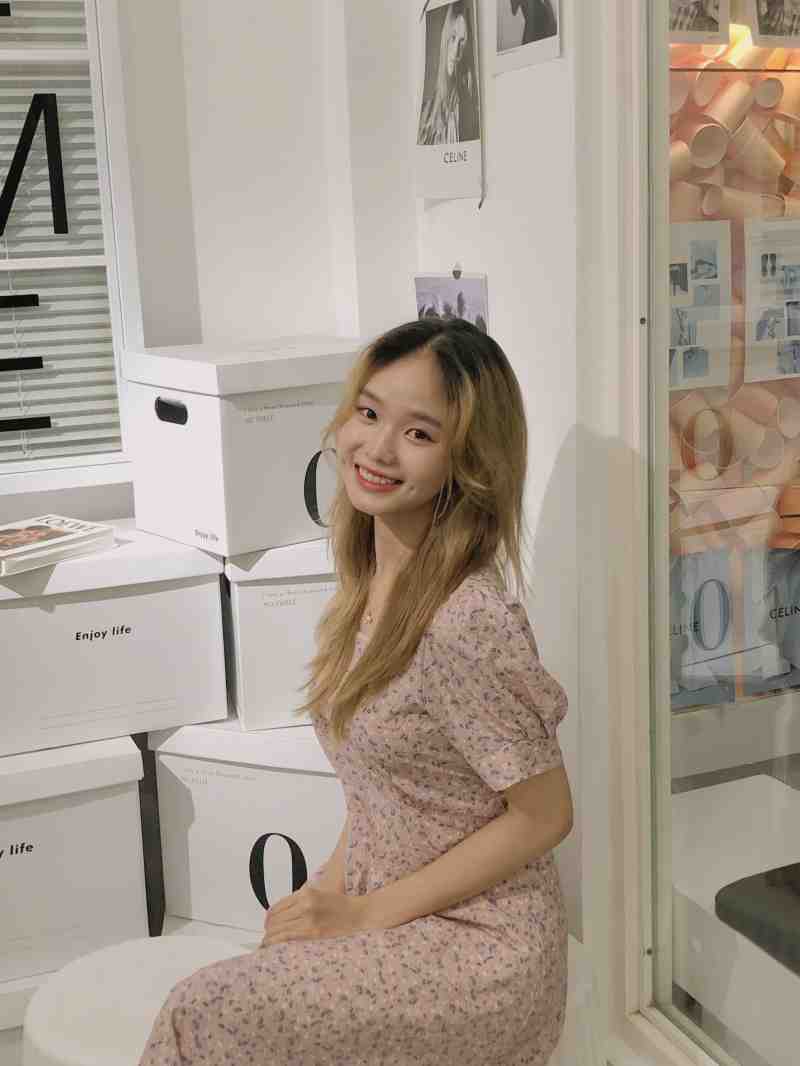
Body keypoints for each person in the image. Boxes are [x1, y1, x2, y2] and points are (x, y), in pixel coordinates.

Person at [138, 318, 573, 1066]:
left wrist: (363, 915)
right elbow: (380, 797)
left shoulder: (464, 619)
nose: (376, 448)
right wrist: (324, 898)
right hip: (398, 912)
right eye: (368, 413)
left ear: (467, 461)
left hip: (479, 948)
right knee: (238, 989)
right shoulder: (371, 585)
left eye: (419, 433)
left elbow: (545, 815)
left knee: (202, 1010)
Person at [418, 2, 480, 145]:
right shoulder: (425, 114)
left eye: (462, 42)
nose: (455, 51)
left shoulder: (468, 111)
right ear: (445, 39)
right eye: (452, 38)